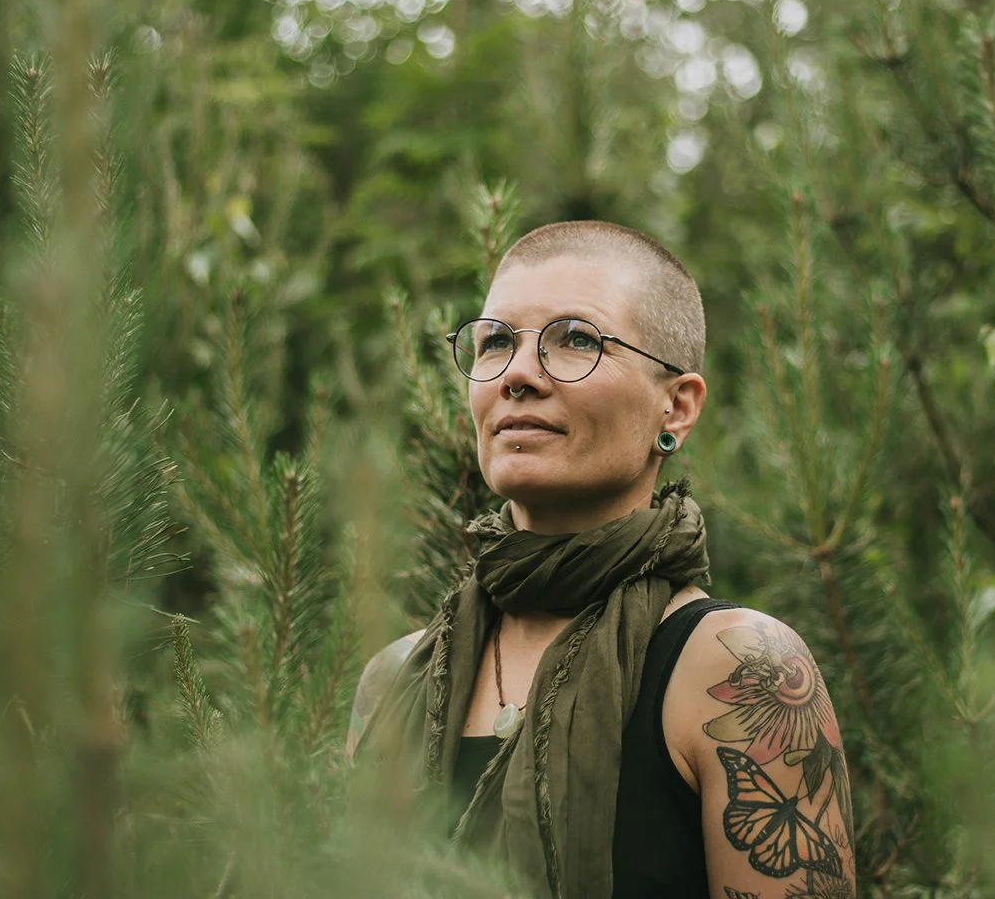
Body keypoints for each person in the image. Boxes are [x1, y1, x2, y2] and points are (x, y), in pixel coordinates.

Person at [349, 220, 856, 899]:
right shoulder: (393, 680)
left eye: (576, 340)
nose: (518, 374)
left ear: (676, 407)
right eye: (495, 341)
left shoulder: (739, 668)